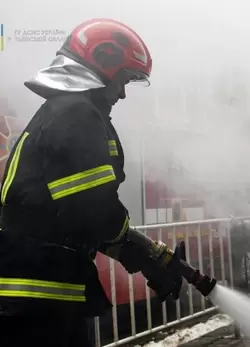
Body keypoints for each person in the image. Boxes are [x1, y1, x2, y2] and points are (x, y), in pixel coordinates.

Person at [0, 19, 187, 347]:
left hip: (34, 295)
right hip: (37, 298)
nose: (123, 94)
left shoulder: (63, 112)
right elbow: (93, 211)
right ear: (104, 63)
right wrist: (147, 253)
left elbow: (76, 222)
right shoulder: (76, 114)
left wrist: (146, 258)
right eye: (124, 80)